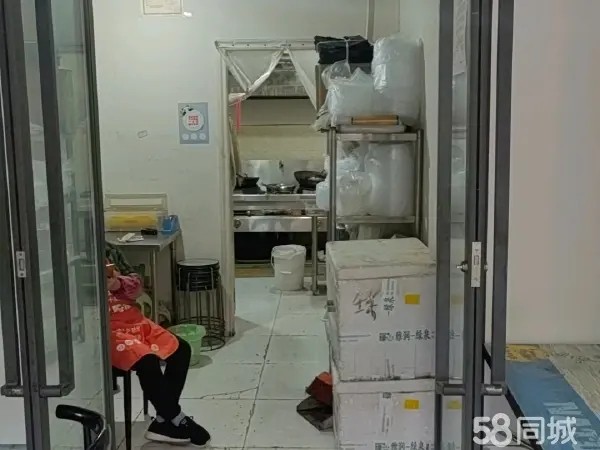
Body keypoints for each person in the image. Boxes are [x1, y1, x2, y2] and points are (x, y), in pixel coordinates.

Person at [105, 243, 211, 447]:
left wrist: (118, 283)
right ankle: (176, 417)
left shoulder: (110, 250)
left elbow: (137, 286)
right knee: (147, 360)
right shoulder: (73, 257)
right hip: (105, 329)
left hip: (133, 321)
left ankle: (163, 420)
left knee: (181, 349)